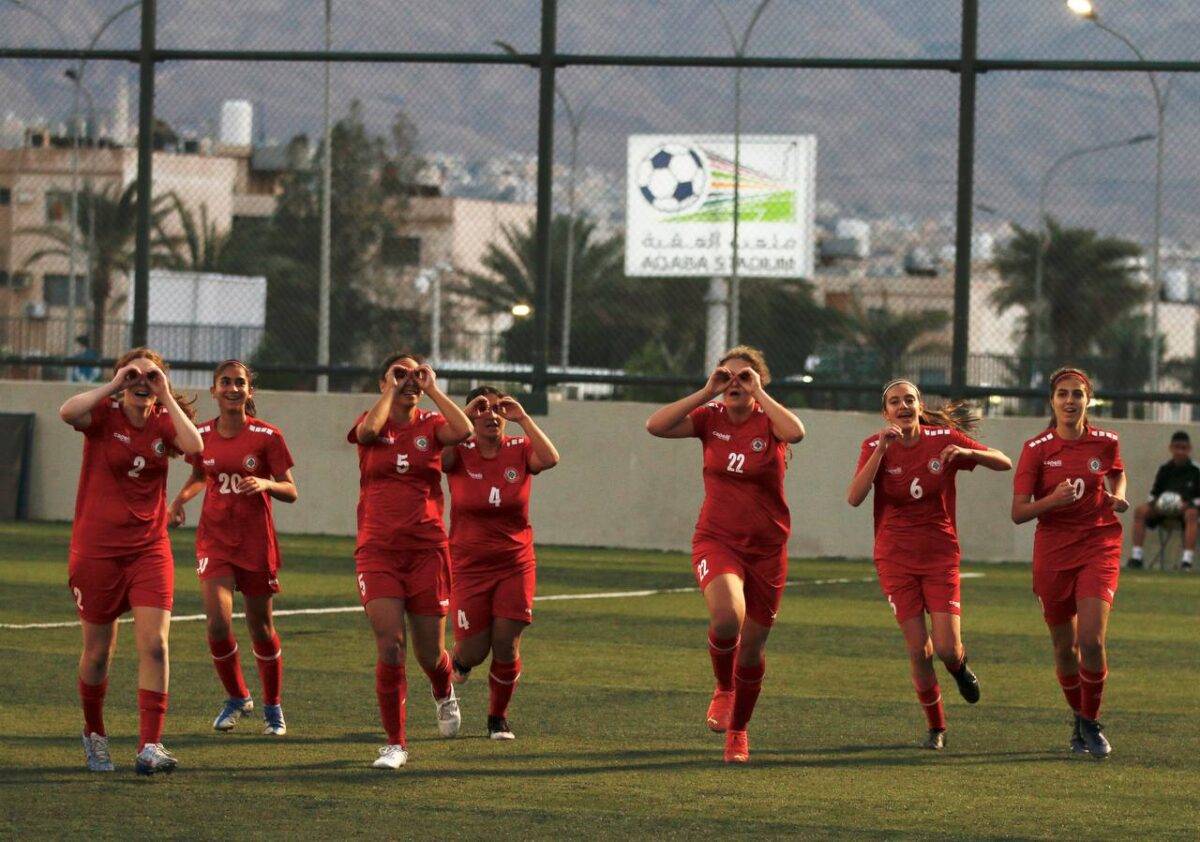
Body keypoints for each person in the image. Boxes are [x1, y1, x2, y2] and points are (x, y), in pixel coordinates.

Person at [646, 346, 805, 764]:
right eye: (727, 376)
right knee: (726, 618)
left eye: (744, 377)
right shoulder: (709, 418)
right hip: (717, 539)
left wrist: (760, 394)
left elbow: (796, 432)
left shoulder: (769, 421)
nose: (734, 383)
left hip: (768, 549)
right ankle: (724, 688)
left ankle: (738, 731)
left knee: (751, 651)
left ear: (757, 384)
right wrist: (705, 391)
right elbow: (656, 426)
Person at [58, 347, 203, 775]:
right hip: (97, 550)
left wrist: (165, 392)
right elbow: (68, 411)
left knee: (156, 644)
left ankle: (150, 744)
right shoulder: (104, 416)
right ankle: (94, 733)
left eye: (150, 376)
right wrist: (116, 382)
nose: (142, 382)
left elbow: (196, 447)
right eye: (134, 376)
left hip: (149, 548)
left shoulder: (163, 421)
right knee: (98, 653)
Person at [847, 380, 1012, 750]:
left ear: (920, 406)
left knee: (947, 648)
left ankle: (959, 668)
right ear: (885, 412)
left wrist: (969, 454)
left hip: (939, 556)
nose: (902, 405)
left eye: (909, 399)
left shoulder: (941, 438)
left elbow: (1005, 462)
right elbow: (855, 497)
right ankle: (936, 727)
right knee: (918, 648)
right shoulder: (874, 445)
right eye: (894, 401)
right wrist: (881, 452)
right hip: (895, 558)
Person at [349, 352, 474, 769]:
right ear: (383, 382)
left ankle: (443, 688)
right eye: (398, 374)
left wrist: (433, 387)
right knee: (390, 647)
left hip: (426, 550)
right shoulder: (372, 420)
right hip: (378, 550)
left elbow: (464, 428)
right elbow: (368, 432)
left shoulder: (432, 425)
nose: (408, 381)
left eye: (413, 374)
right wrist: (391, 388)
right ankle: (395, 743)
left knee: (428, 652)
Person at [168, 360, 298, 736]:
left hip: (255, 542)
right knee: (218, 622)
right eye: (225, 382)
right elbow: (198, 476)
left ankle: (273, 705)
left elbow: (291, 489)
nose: (232, 388)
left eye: (239, 382)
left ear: (249, 391)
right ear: (214, 390)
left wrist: (265, 484)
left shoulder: (267, 435)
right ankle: (238, 696)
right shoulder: (201, 434)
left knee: (260, 626)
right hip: (215, 540)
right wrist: (178, 502)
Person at [1012, 368, 1128, 759]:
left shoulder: (1106, 441)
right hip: (1054, 552)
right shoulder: (1036, 448)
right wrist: (1052, 501)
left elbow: (1116, 473)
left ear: (1088, 399)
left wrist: (1118, 496)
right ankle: (1079, 717)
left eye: (1077, 394)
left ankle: (1091, 723)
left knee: (1091, 640)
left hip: (1098, 544)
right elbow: (1019, 512)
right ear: (1052, 400)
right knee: (1065, 650)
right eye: (1063, 394)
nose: (1070, 401)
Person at [443, 386, 560, 740]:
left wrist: (523, 417)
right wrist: (464, 413)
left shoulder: (519, 449)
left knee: (507, 643)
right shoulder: (460, 453)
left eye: (497, 409)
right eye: (484, 410)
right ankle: (459, 665)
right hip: (468, 563)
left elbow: (551, 458)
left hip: (515, 562)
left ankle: (498, 718)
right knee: (474, 650)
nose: (492, 415)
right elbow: (440, 458)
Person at [1128, 430, 1198, 571]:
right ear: (1171, 448)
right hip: (1163, 508)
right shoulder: (1165, 470)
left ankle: (1187, 562)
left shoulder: (1196, 471)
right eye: (1177, 447)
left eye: (1183, 448)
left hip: (1186, 510)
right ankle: (1136, 557)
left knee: (1192, 514)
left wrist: (1188, 504)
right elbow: (1153, 494)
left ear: (1189, 449)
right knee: (1140, 511)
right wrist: (1157, 504)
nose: (1180, 451)